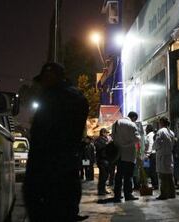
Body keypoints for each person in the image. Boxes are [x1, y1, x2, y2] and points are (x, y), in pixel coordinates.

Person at [23, 62, 89, 222]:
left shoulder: (52, 97)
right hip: (67, 167)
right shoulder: (77, 97)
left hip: (48, 169)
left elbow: (42, 136)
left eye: (46, 78)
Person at [112, 111, 141, 202]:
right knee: (128, 176)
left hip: (119, 154)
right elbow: (137, 138)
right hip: (129, 154)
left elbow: (113, 137)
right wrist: (130, 142)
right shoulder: (132, 125)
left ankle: (117, 195)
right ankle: (128, 195)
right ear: (134, 118)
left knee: (119, 175)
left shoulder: (116, 123)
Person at [154, 117, 176, 200]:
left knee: (162, 175)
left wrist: (155, 148)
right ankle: (171, 193)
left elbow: (157, 143)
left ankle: (163, 194)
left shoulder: (161, 131)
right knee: (170, 175)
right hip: (169, 155)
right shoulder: (171, 132)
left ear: (162, 123)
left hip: (162, 156)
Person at [95, 128, 112, 195]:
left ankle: (103, 189)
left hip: (106, 160)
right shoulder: (99, 139)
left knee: (105, 176)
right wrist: (107, 143)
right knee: (103, 176)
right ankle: (100, 191)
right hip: (102, 160)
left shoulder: (105, 139)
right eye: (106, 133)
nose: (107, 134)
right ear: (102, 133)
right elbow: (99, 148)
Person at [144, 124, 159, 189]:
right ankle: (154, 184)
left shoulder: (150, 135)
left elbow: (151, 144)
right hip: (152, 154)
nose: (145, 130)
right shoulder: (151, 134)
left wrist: (148, 154)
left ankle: (155, 185)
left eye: (146, 129)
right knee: (152, 170)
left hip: (152, 154)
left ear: (148, 129)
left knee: (152, 170)